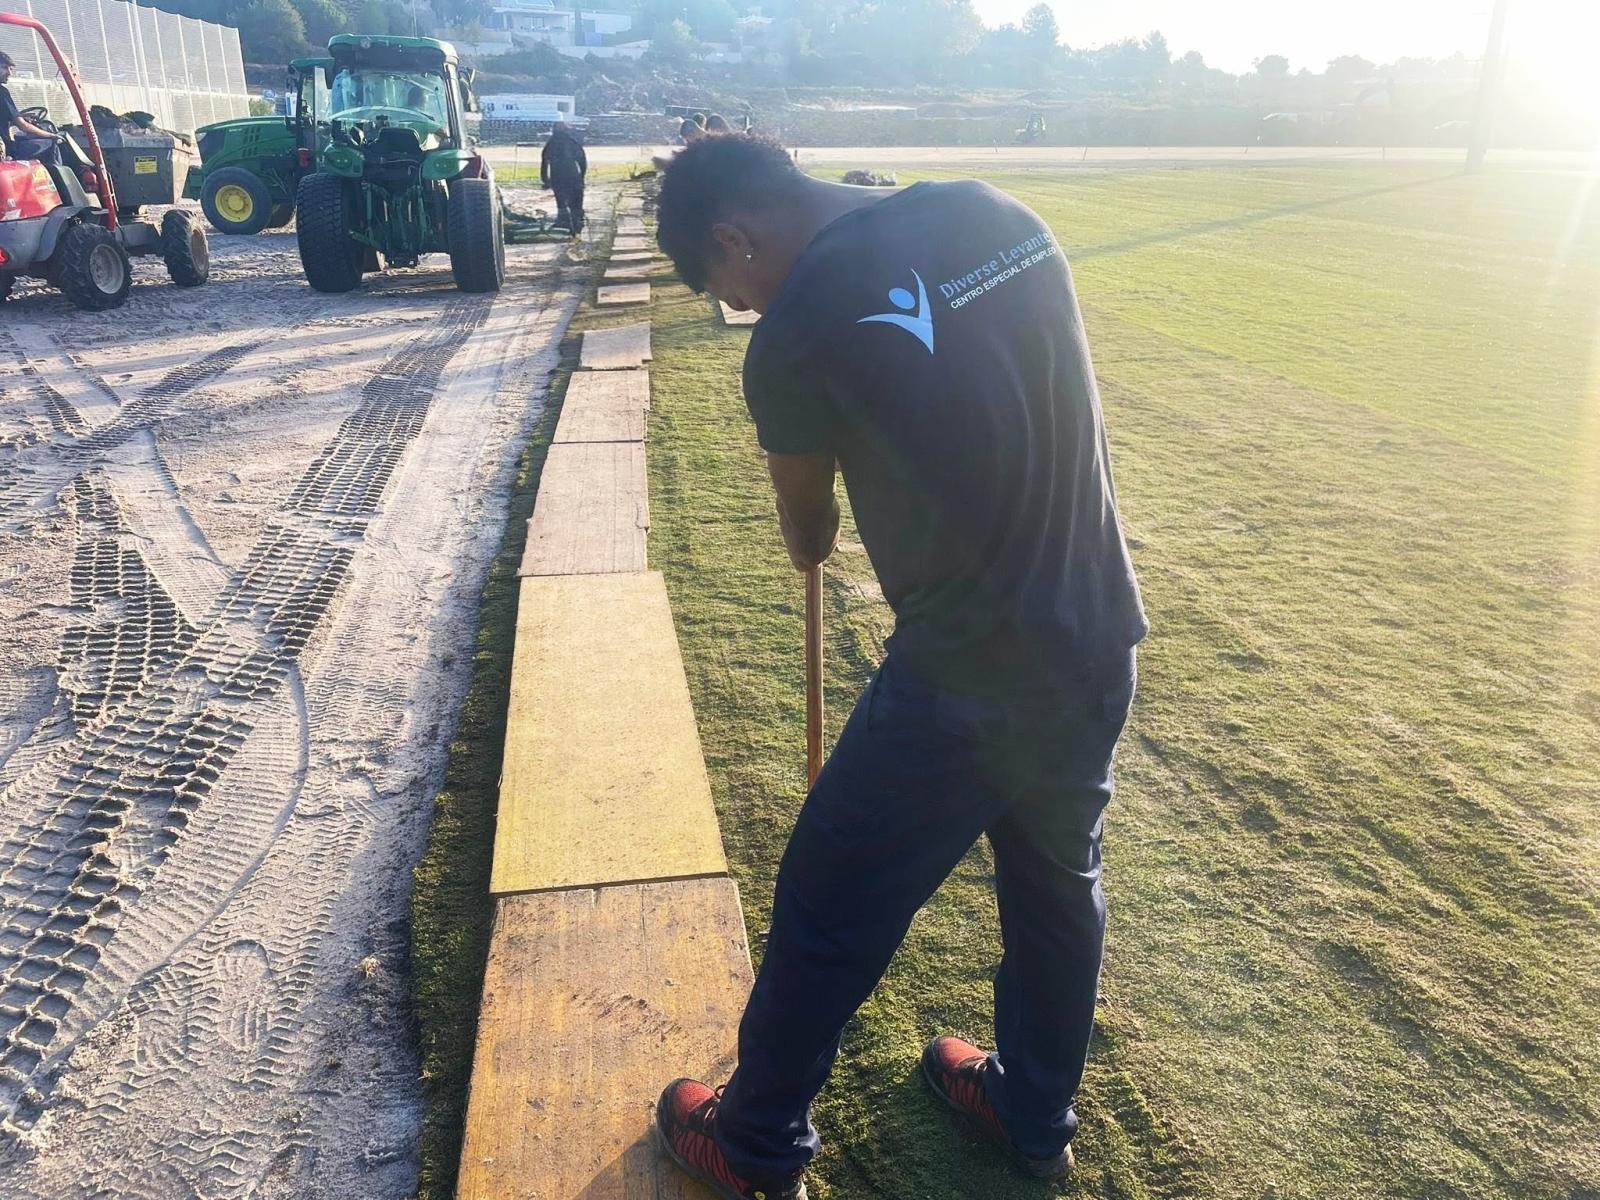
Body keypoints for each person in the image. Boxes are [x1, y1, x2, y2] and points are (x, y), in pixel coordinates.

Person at [650, 134, 1147, 1200]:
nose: (743, 313)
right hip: (1098, 630)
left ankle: (752, 1143)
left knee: (829, 896)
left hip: (966, 678)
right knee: (1059, 889)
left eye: (726, 293)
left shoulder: (791, 334)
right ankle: (1030, 1114)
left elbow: (807, 515)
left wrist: (809, 542)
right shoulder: (1000, 215)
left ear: (732, 240)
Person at [0, 52, 64, 167]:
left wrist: (18, 118)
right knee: (51, 142)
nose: (9, 72)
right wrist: (50, 135)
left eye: (10, 68)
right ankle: (60, 182)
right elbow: (23, 126)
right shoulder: (2, 92)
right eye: (4, 68)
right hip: (6, 151)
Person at [540, 120, 587, 235]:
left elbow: (544, 163)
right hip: (573, 176)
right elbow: (582, 161)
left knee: (561, 201)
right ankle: (577, 223)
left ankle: (564, 222)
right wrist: (581, 177)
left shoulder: (550, 144)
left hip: (558, 177)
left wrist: (545, 180)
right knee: (576, 201)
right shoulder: (572, 142)